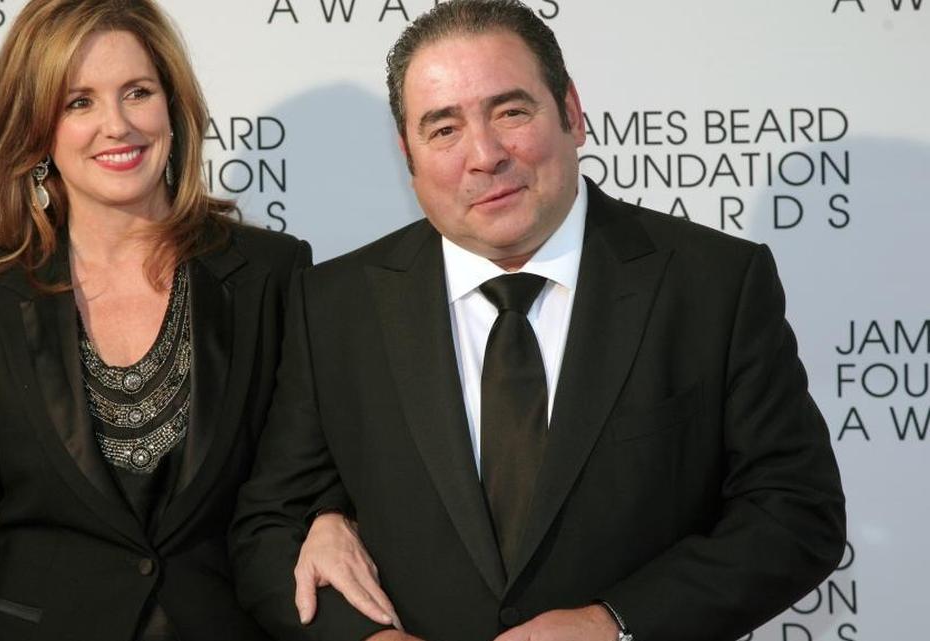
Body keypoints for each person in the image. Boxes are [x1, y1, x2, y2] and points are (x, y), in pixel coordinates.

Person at [231, 1, 846, 640]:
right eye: (444, 129)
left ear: (571, 112)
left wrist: (614, 624)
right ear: (408, 154)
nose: (485, 155)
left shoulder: (713, 284)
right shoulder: (335, 305)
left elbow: (795, 512)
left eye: (511, 112)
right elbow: (268, 528)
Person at [0, 1, 391, 639]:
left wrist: (329, 515)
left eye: (138, 92)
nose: (118, 125)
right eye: (79, 103)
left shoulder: (271, 274)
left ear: (173, 109)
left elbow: (313, 466)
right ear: (37, 131)